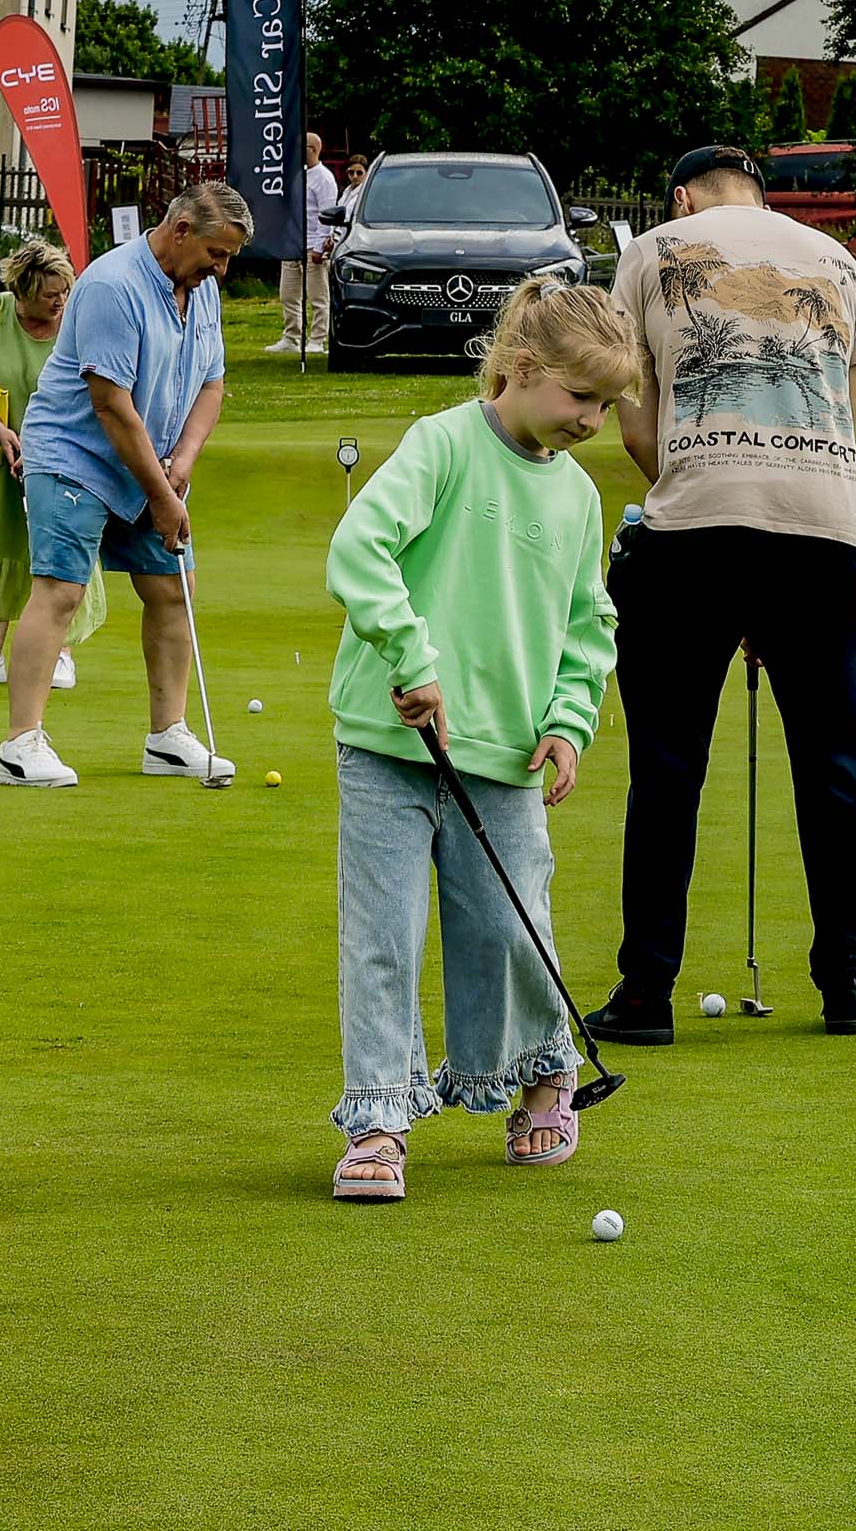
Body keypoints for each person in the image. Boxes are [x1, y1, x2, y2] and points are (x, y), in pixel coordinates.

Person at [323, 280, 639, 1200]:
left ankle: (545, 1074)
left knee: (510, 926)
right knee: (382, 938)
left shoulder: (579, 498)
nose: (593, 419)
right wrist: (411, 656)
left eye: (608, 404)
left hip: (504, 754)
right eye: (581, 397)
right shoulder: (443, 444)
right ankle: (380, 1120)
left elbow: (591, 625)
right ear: (524, 368)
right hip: (390, 738)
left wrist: (570, 721)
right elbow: (361, 548)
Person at [582, 143, 856, 1043]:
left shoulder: (655, 248)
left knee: (668, 766)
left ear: (682, 195)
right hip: (826, 527)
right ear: (759, 190)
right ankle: (850, 984)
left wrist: (677, 477)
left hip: (693, 531)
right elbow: (850, 398)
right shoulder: (836, 260)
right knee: (836, 762)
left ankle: (645, 994)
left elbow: (624, 397)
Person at [0, 181, 250, 790]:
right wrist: (163, 498)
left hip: (151, 461)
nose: (223, 269)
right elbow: (109, 405)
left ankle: (167, 737)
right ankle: (20, 745)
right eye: (218, 253)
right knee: (60, 591)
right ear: (181, 230)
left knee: (172, 587)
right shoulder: (114, 285)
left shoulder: (202, 290)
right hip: (74, 455)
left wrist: (183, 462)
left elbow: (211, 383)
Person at [0, 241, 104, 690]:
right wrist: (2, 431)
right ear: (23, 291)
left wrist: (45, 445)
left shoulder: (77, 319)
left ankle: (61, 654)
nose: (60, 301)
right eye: (50, 294)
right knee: (1, 541)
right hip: (2, 456)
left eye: (65, 291)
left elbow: (96, 390)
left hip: (67, 456)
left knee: (62, 547)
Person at [269, 132, 341, 356]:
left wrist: (320, 248)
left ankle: (318, 339)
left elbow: (327, 215)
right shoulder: (296, 175)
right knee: (288, 294)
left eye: (303, 147)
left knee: (318, 296)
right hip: (292, 243)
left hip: (313, 245)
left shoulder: (324, 179)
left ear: (314, 149)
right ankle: (291, 336)